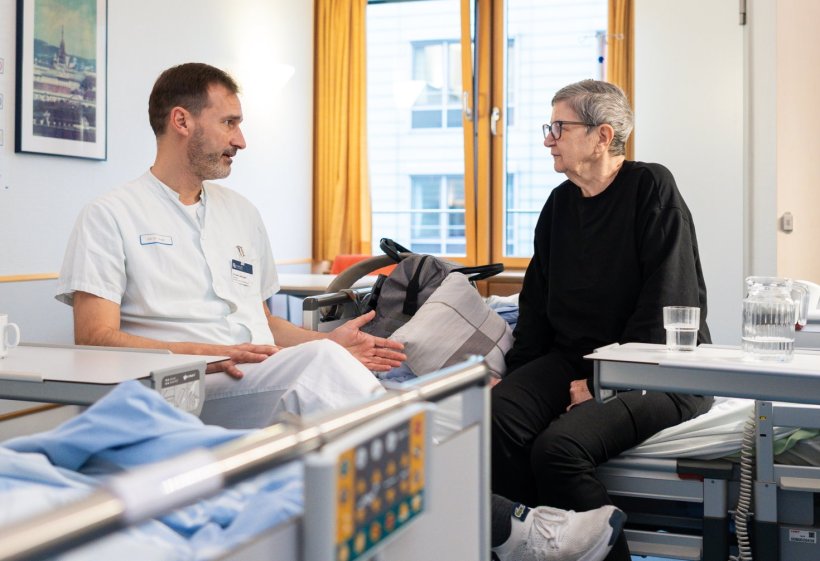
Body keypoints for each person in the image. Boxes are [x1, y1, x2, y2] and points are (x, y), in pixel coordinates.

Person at [55, 62, 405, 429]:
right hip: (175, 386)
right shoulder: (110, 215)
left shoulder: (241, 213)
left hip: (252, 374)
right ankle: (411, 456)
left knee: (334, 362)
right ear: (182, 121)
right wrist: (206, 354)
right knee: (319, 368)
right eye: (229, 123)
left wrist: (327, 340)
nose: (240, 140)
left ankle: (403, 447)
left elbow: (264, 324)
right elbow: (95, 338)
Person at [490, 79, 713, 561]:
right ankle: (530, 547)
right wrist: (513, 376)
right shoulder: (558, 206)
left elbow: (670, 302)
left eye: (558, 127)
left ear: (602, 135)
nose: (548, 138)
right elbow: (537, 305)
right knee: (495, 420)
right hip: (572, 359)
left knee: (558, 449)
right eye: (548, 127)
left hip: (662, 369)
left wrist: (606, 382)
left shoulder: (651, 187)